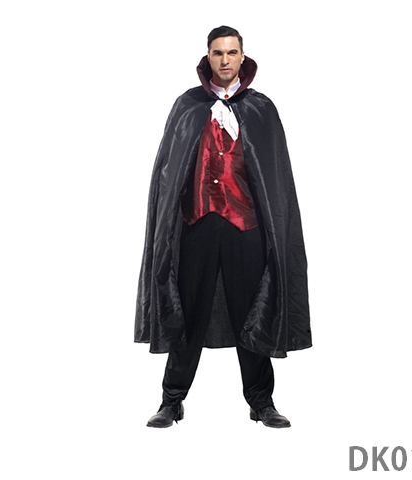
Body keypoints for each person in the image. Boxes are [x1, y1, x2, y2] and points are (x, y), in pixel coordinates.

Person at [134, 25, 311, 428]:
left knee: (251, 312)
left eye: (232, 53)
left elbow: (275, 177)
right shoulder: (187, 105)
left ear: (242, 57)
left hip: (245, 227)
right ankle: (171, 401)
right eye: (218, 53)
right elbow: (168, 172)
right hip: (197, 225)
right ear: (208, 57)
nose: (225, 60)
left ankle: (261, 402)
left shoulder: (261, 108)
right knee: (188, 312)